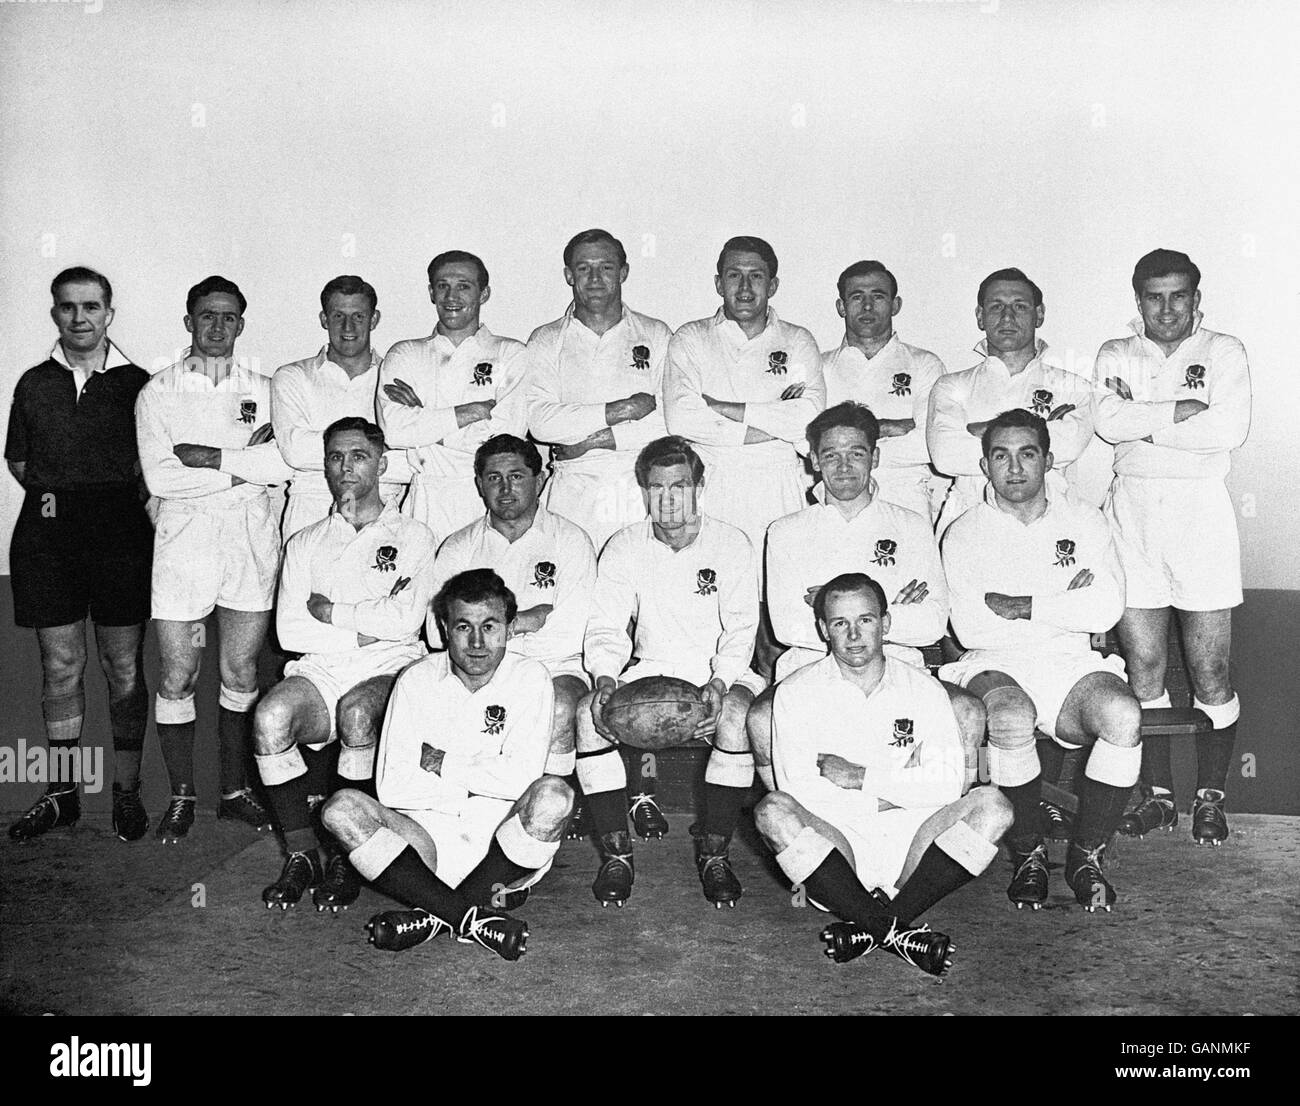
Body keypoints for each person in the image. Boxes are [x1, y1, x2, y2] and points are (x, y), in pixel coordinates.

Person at [753, 572, 1010, 977]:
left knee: (993, 805)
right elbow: (800, 793)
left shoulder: (923, 689)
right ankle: (898, 934)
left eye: (866, 620)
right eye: (840, 623)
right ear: (823, 629)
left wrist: (862, 778)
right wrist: (904, 783)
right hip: (837, 853)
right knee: (772, 811)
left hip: (916, 844)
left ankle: (871, 927)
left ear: (886, 624)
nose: (854, 635)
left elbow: (947, 784)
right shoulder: (796, 693)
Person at [939, 409, 1142, 911]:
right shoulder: (964, 532)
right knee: (1010, 717)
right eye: (1000, 456)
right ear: (984, 465)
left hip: (1068, 662)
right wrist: (1065, 602)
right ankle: (1028, 853)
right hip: (993, 659)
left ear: (1048, 460)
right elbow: (971, 628)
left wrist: (1022, 605)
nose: (1014, 468)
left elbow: (1106, 608)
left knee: (1124, 715)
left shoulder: (1086, 520)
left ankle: (1086, 856)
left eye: (1027, 454)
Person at [321, 569, 573, 961]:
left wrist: (441, 763)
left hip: (500, 843)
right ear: (443, 629)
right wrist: (483, 777)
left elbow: (522, 780)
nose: (476, 642)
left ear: (508, 628)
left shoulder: (531, 678)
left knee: (555, 796)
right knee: (340, 809)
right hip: (424, 840)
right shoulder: (415, 680)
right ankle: (471, 919)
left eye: (489, 626)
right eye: (463, 627)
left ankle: (435, 913)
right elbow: (392, 787)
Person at [1093, 249, 1251, 845]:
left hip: (1201, 513)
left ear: (1195, 299)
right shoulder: (1114, 353)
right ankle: (1157, 796)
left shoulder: (1224, 351)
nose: (1166, 308)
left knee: (1210, 670)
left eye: (1178, 296)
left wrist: (1146, 421)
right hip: (1131, 513)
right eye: (1154, 297)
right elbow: (1108, 422)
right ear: (1138, 301)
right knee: (1145, 668)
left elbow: (1229, 429)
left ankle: (1211, 795)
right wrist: (1181, 415)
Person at [252, 418, 434, 911]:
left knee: (357, 713)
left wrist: (333, 613)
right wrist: (367, 623)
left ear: (381, 463)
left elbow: (405, 623)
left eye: (358, 455)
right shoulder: (305, 541)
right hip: (321, 668)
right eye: (335, 457)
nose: (345, 466)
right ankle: (302, 853)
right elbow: (290, 633)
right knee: (270, 719)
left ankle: (346, 857)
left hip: (390, 663)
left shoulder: (413, 534)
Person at [578, 436, 766, 907]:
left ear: (699, 486)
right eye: (656, 487)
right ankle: (617, 854)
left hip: (717, 670)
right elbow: (606, 627)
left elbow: (742, 628)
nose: (668, 498)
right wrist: (604, 677)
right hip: (649, 670)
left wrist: (720, 682)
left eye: (679, 485)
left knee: (738, 715)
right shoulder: (623, 545)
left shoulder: (731, 542)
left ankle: (715, 851)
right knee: (585, 714)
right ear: (643, 490)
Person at [135, 275, 290, 841]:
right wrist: (240, 466)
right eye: (207, 316)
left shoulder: (269, 388)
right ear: (189, 323)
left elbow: (283, 466)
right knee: (178, 674)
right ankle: (181, 795)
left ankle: (234, 790)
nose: (218, 326)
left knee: (241, 671)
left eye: (228, 317)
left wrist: (205, 461)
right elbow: (159, 476)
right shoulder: (158, 393)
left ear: (241, 325)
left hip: (249, 542)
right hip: (183, 544)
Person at [6, 267, 153, 842]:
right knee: (61, 667)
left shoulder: (140, 382)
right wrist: (63, 502)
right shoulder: (33, 383)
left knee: (123, 669)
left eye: (91, 307)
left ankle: (127, 791)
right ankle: (63, 793)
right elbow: (20, 463)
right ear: (55, 314)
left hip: (120, 534)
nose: (80, 318)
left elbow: (151, 469)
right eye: (68, 308)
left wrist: (109, 505)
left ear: (109, 314)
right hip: (48, 536)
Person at [762, 401, 984, 783]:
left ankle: (952, 822)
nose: (844, 466)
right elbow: (788, 628)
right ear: (814, 460)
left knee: (969, 713)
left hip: (898, 666)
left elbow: (931, 622)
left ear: (875, 457)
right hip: (811, 668)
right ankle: (806, 833)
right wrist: (886, 612)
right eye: (831, 455)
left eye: (856, 453)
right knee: (758, 718)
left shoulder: (911, 526)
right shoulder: (785, 531)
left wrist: (831, 609)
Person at [426, 434, 595, 828]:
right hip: (476, 670)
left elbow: (568, 634)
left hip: (555, 666)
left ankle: (550, 815)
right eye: (493, 478)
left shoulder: (570, 540)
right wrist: (523, 620)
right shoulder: (459, 547)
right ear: (479, 485)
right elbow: (438, 636)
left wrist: (486, 627)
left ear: (538, 480)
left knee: (559, 707)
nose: (505, 489)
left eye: (516, 476)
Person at [663, 236, 825, 557]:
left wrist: (723, 408)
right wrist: (775, 422)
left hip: (779, 485)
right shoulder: (692, 337)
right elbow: (681, 418)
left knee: (776, 589)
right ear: (719, 284)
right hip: (712, 483)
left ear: (773, 285)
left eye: (756, 275)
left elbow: (810, 419)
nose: (745, 287)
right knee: (710, 588)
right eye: (734, 275)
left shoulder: (797, 340)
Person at [525, 228, 672, 552]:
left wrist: (596, 440)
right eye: (583, 268)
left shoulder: (655, 333)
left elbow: (671, 417)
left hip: (638, 486)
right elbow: (540, 421)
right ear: (568, 275)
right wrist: (625, 409)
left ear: (623, 272)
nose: (594, 278)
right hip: (572, 490)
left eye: (605, 267)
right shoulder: (546, 340)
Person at [927, 268, 1094, 532]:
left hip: (1052, 522)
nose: (1008, 316)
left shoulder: (1073, 387)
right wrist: (1038, 433)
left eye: (1019, 306)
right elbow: (946, 456)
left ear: (1039, 314)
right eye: (996, 307)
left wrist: (981, 431)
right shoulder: (952, 386)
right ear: (981, 317)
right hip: (968, 521)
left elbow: (1069, 446)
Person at [378, 251, 528, 546]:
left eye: (464, 286)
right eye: (443, 285)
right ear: (432, 292)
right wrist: (470, 412)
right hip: (425, 500)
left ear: (483, 294)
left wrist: (425, 419)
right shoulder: (405, 354)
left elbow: (507, 436)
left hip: (484, 497)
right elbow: (395, 432)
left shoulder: (509, 353)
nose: (451, 296)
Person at [271, 275, 411, 541]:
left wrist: (328, 453)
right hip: (311, 508)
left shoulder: (396, 378)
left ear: (374, 319)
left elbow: (414, 461)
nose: (348, 326)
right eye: (338, 316)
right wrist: (383, 446)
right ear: (324, 319)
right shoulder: (293, 377)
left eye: (358, 316)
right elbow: (295, 452)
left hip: (382, 513)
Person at [821, 261, 948, 522]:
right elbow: (805, 441)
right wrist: (885, 427)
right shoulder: (821, 367)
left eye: (878, 296)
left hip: (905, 496)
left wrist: (841, 444)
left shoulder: (924, 364)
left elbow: (930, 446)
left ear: (895, 304)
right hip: (835, 498)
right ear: (841, 307)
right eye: (857, 297)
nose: (867, 307)